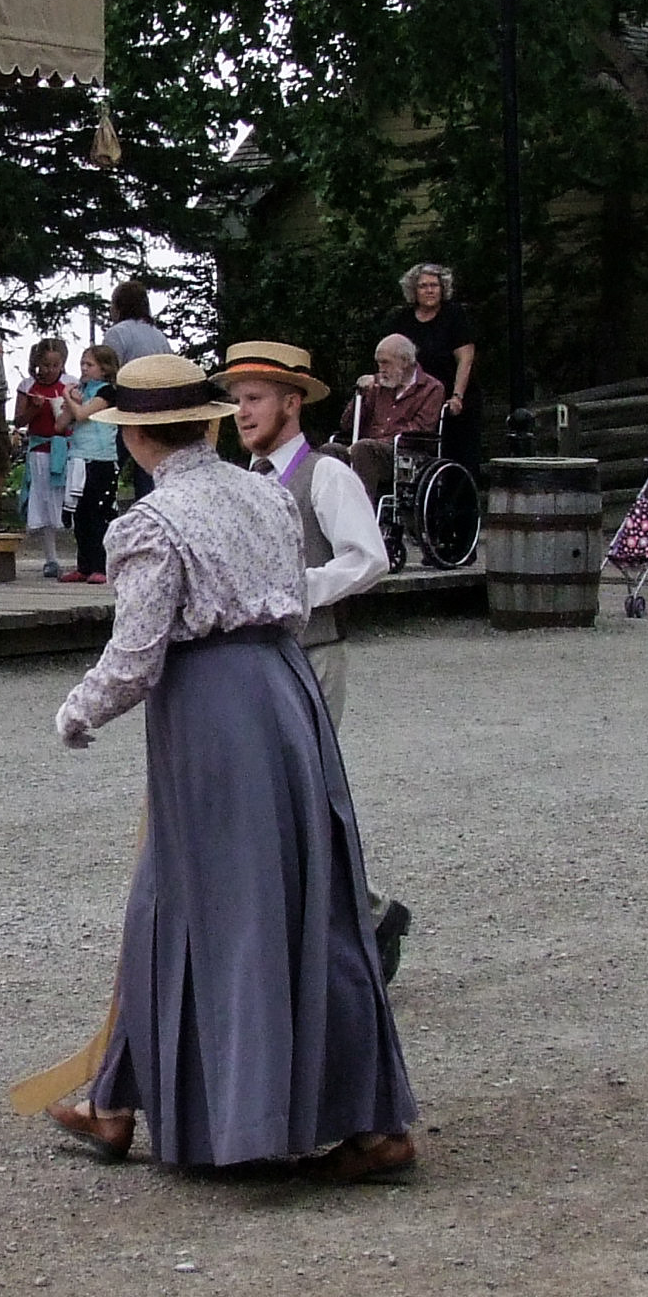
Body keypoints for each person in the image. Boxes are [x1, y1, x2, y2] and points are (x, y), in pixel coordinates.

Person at [45, 351, 417, 1180]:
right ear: (207, 424)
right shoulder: (265, 494)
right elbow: (293, 597)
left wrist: (77, 712)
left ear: (137, 437)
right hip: (285, 694)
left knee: (210, 903)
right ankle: (120, 1101)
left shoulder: (150, 523)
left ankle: (253, 1117)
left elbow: (136, 655)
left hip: (213, 712)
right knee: (297, 897)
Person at [223, 336, 413, 984]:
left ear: (292, 403)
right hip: (257, 662)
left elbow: (369, 558)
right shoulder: (244, 482)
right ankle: (355, 922)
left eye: (255, 398)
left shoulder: (326, 475)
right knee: (273, 802)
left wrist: (300, 589)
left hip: (313, 657)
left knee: (298, 800)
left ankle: (352, 927)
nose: (243, 412)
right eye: (238, 400)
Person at [369, 263, 478, 466]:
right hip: (414, 395)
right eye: (423, 286)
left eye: (434, 285)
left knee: (455, 452)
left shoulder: (454, 315)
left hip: (449, 395)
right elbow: (388, 355)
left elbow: (465, 359)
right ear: (414, 290)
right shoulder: (402, 319)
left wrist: (457, 396)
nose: (429, 290)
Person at [349, 329, 450, 495]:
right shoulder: (377, 385)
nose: (381, 369)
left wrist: (380, 442)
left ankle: (361, 508)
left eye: (385, 363)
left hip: (405, 455)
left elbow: (421, 429)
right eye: (378, 363)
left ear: (404, 361)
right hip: (368, 449)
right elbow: (347, 425)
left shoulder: (432, 388)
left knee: (363, 449)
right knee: (331, 450)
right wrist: (360, 396)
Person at [104, 280, 173, 503]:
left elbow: (107, 371)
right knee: (147, 470)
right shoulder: (158, 336)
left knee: (111, 465)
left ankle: (105, 510)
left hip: (126, 408)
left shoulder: (117, 333)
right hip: (157, 409)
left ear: (119, 305)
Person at [18, 337, 78, 578]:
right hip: (40, 450)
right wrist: (34, 408)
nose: (51, 370)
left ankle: (82, 555)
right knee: (43, 499)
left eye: (55, 365)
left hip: (66, 448)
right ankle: (50, 557)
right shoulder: (28, 386)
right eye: (46, 365)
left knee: (69, 497)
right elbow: (19, 420)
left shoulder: (70, 384)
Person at [64, 341, 124, 581]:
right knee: (81, 513)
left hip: (101, 458)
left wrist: (67, 397)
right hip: (79, 456)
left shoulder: (107, 392)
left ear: (104, 369)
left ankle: (101, 565)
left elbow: (82, 415)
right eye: (82, 364)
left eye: (89, 365)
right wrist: (71, 400)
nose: (84, 368)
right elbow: (62, 423)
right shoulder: (83, 390)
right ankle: (84, 564)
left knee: (99, 512)